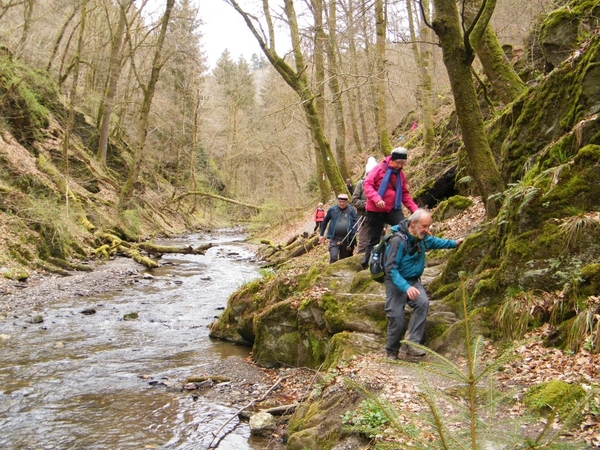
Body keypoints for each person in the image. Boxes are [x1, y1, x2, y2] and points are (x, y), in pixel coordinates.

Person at [384, 209, 463, 358]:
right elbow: (391, 268)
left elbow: (435, 242)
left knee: (422, 303)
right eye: (424, 226)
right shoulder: (397, 240)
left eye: (428, 226)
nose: (427, 230)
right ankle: (392, 351)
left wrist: (454, 243)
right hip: (396, 282)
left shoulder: (421, 237)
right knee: (397, 317)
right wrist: (405, 287)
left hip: (413, 281)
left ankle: (412, 344)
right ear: (413, 223)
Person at [360, 146, 419, 269]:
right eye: (398, 162)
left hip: (393, 207)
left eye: (403, 163)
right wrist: (377, 198)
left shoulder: (401, 175)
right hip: (375, 209)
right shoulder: (378, 169)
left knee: (404, 229)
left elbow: (404, 194)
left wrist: (415, 210)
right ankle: (367, 263)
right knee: (374, 236)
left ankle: (403, 258)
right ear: (392, 160)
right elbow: (368, 185)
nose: (400, 166)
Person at [319, 194, 357, 264]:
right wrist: (321, 234)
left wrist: (353, 232)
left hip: (346, 239)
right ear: (337, 201)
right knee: (333, 257)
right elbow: (325, 221)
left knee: (343, 259)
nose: (342, 203)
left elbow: (355, 221)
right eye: (340, 201)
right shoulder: (332, 210)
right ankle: (330, 272)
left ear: (347, 202)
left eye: (343, 202)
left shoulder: (351, 210)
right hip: (334, 238)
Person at [351, 157, 378, 254]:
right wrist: (366, 204)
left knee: (377, 242)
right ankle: (361, 263)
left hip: (378, 217)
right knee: (363, 242)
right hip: (363, 217)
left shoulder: (380, 184)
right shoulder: (361, 184)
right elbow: (354, 200)